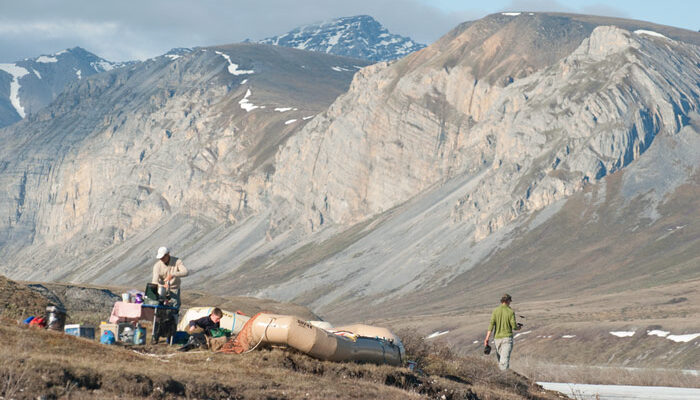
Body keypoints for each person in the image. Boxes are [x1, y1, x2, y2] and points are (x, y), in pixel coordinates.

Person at [484, 293, 522, 371]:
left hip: (497, 339)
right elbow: (514, 327)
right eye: (510, 301)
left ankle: (501, 378)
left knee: (501, 361)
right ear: (508, 301)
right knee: (504, 362)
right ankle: (504, 379)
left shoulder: (495, 311)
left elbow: (491, 325)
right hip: (507, 339)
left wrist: (487, 338)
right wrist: (519, 328)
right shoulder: (510, 311)